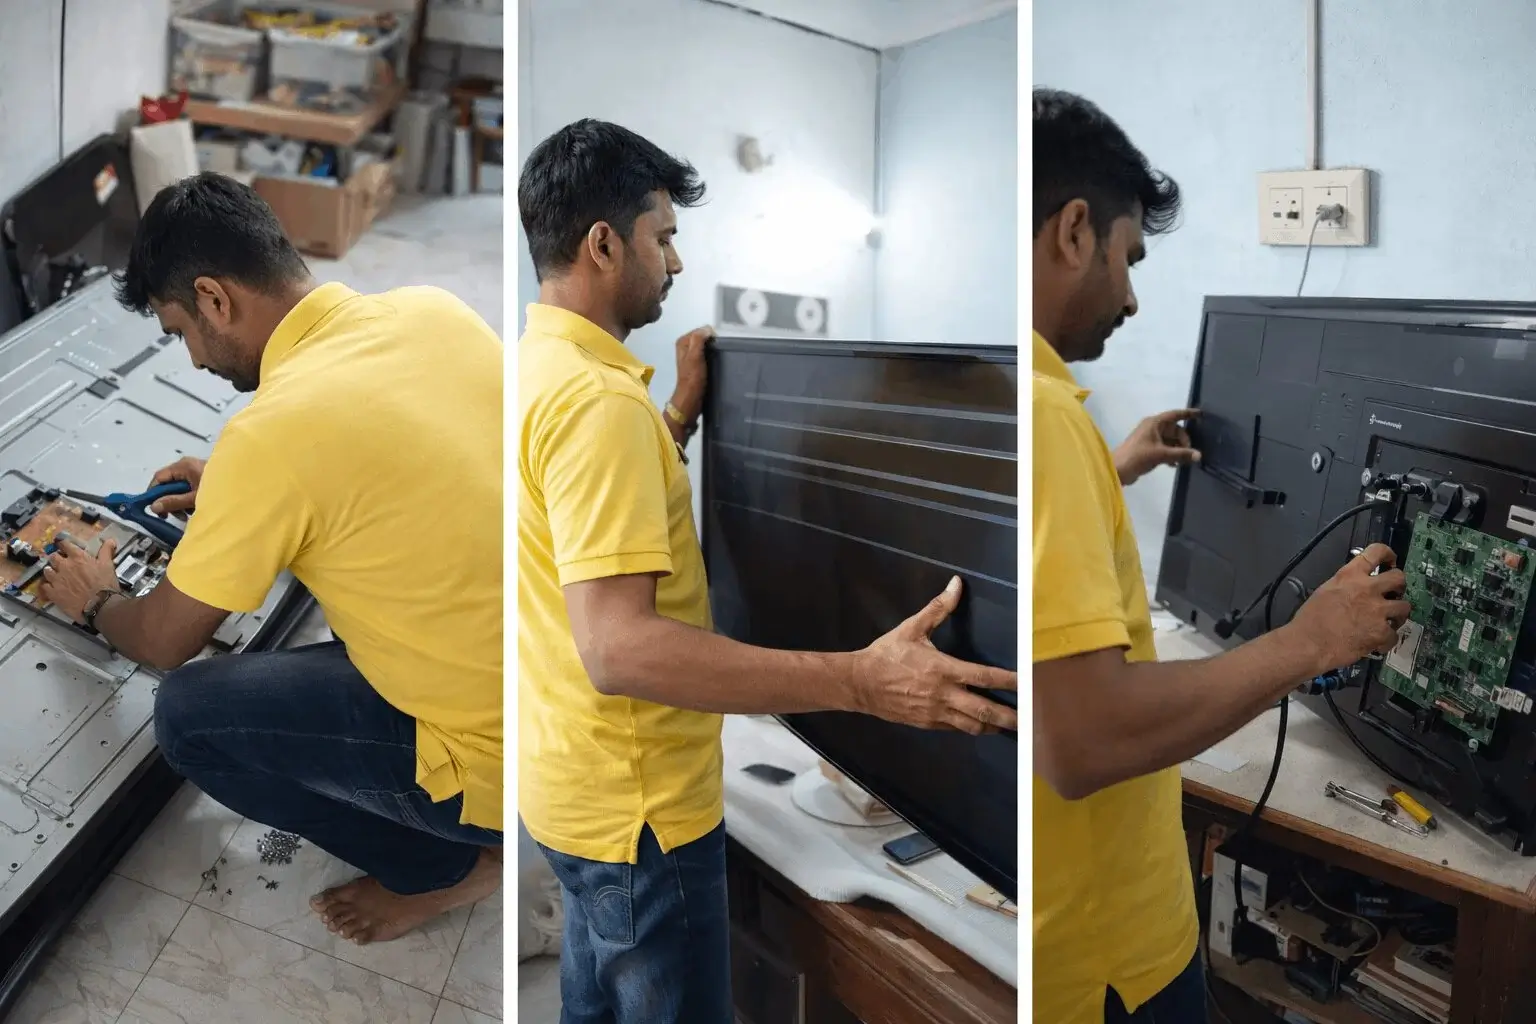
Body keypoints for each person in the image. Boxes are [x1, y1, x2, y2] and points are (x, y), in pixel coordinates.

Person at [518, 118, 1018, 1024]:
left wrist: (673, 416)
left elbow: (577, 524)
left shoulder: (541, 372)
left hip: (568, 786)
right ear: (602, 243)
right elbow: (620, 650)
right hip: (642, 821)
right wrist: (863, 682)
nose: (674, 263)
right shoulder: (598, 407)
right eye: (662, 236)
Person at [38, 173, 504, 945]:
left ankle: (441, 869)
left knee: (188, 716)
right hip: (549, 689)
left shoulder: (273, 434)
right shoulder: (435, 310)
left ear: (217, 299)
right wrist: (241, 498)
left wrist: (95, 599)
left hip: (490, 760)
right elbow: (392, 466)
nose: (191, 359)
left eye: (180, 329)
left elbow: (161, 641)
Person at [1031, 89, 1411, 1024]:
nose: (1129, 296)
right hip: (1102, 957)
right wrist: (1310, 641)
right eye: (1127, 258)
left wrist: (1107, 470)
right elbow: (1083, 741)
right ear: (1074, 231)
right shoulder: (1044, 419)